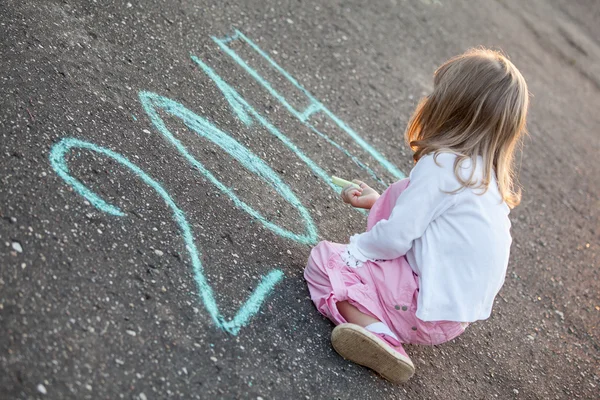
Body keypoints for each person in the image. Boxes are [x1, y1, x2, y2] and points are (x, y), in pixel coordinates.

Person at [304, 48, 529, 383]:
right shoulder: (487, 182)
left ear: (449, 107)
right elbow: (433, 227)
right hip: (451, 320)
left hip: (417, 306)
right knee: (367, 263)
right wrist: (379, 202)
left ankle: (380, 335)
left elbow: (394, 238)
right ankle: (388, 322)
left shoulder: (443, 164)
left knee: (324, 262)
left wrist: (355, 252)